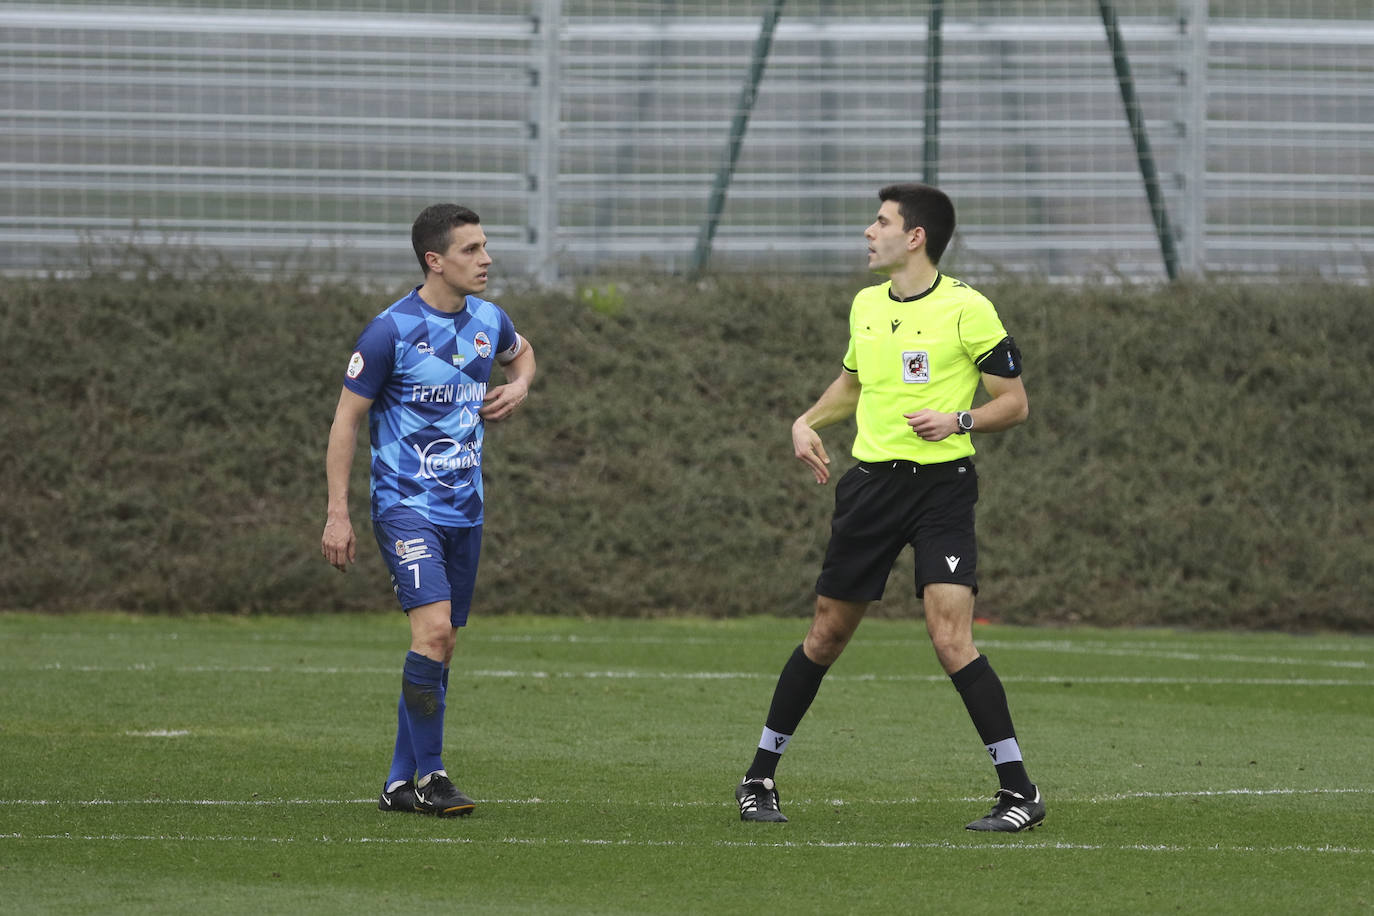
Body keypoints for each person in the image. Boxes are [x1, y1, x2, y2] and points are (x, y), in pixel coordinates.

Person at [733, 183, 1043, 832]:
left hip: (942, 492)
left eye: (880, 222)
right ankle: (758, 778)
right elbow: (851, 384)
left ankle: (1020, 792)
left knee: (950, 637)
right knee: (826, 635)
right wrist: (806, 420)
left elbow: (1013, 403)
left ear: (915, 237)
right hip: (871, 491)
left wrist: (959, 417)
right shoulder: (867, 305)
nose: (868, 233)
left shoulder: (969, 309)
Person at [321, 203, 536, 817]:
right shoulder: (389, 331)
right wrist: (338, 513)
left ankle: (396, 783)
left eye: (486, 247)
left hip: (465, 510)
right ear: (434, 260)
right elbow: (345, 421)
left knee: (440, 647)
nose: (487, 259)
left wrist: (519, 384)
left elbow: (523, 353)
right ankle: (432, 778)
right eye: (471, 250)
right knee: (433, 632)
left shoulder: (489, 321)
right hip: (404, 506)